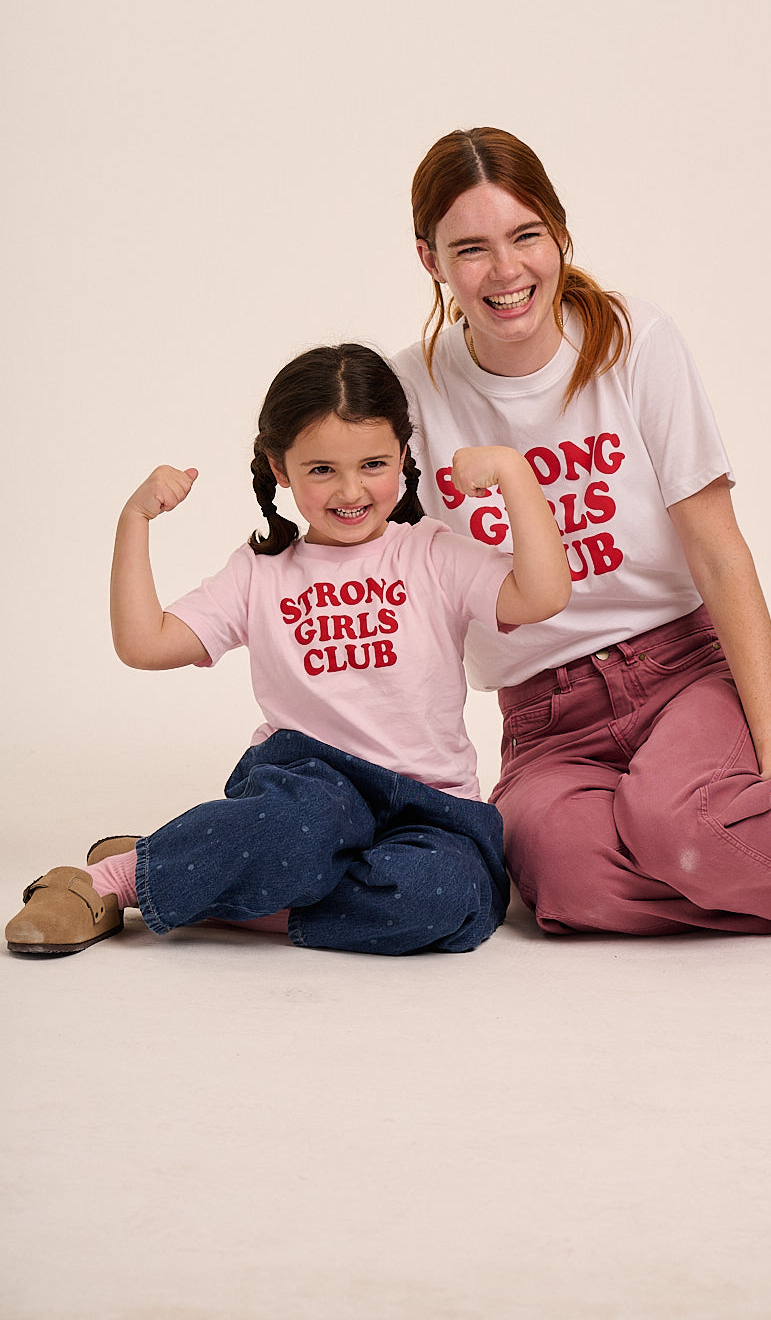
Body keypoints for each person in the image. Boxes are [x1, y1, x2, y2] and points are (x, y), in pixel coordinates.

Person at [392, 127, 771, 935]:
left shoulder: (632, 341)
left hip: (679, 673)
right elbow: (391, 581)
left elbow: (718, 551)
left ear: (560, 232)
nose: (507, 272)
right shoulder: (408, 391)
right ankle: (766, 841)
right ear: (430, 259)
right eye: (471, 248)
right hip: (543, 720)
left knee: (678, 829)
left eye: (526, 235)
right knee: (570, 889)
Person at [6, 343, 570, 958]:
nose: (351, 489)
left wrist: (515, 474)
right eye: (321, 469)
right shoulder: (261, 573)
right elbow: (145, 645)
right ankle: (110, 882)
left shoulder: (433, 553)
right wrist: (133, 521)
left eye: (374, 464)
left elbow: (542, 595)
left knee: (444, 897)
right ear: (280, 469)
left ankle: (197, 869)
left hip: (428, 804)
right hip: (307, 788)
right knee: (294, 836)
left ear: (405, 456)